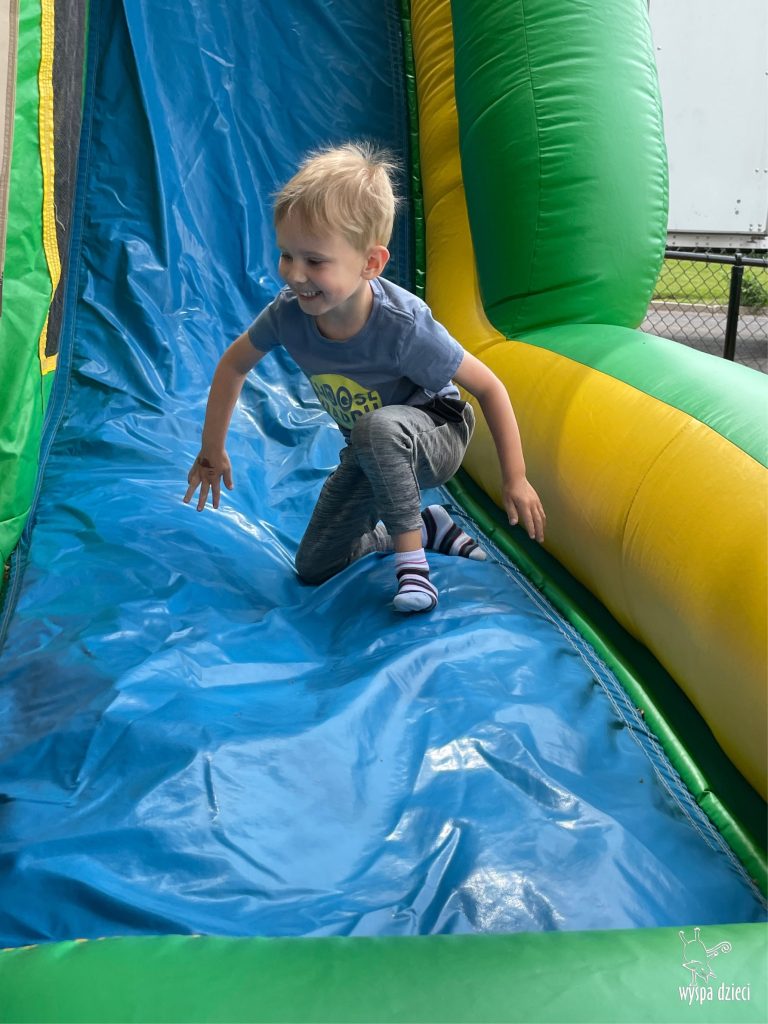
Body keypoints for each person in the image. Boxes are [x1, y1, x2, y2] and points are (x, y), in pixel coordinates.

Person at [184, 142, 545, 613]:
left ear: (370, 264)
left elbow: (489, 388)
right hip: (371, 451)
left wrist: (515, 478)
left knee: (378, 428)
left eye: (315, 261)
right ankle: (427, 527)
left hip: (439, 432)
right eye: (286, 255)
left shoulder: (403, 325)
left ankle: (413, 568)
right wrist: (212, 450)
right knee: (315, 565)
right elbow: (234, 364)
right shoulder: (288, 316)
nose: (294, 274)